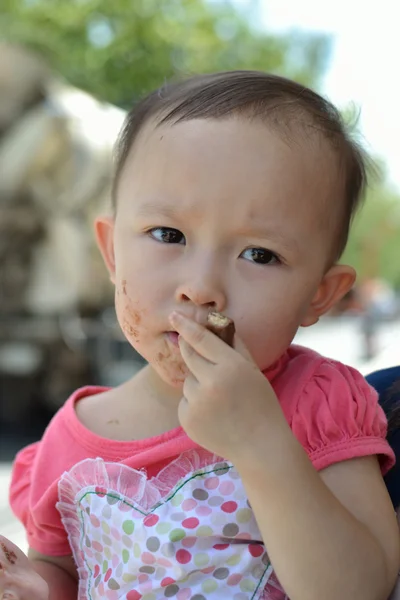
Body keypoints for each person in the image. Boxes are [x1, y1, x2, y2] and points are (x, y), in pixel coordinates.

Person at [1, 71, 398, 600]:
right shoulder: (69, 439)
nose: (202, 288)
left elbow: (361, 589)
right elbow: (65, 575)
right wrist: (31, 585)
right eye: (169, 235)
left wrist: (260, 443)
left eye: (260, 254)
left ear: (320, 295)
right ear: (113, 253)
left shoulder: (317, 404)